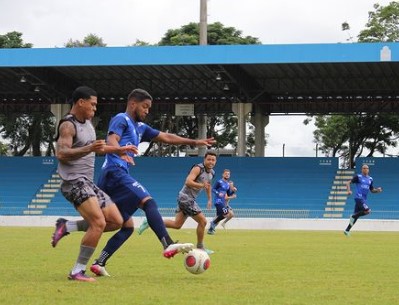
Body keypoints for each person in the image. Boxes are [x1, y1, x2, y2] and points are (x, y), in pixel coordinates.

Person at [87, 88, 216, 276]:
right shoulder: (121, 119)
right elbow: (111, 139)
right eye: (145, 106)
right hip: (113, 173)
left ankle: (99, 263)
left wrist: (194, 142)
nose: (147, 111)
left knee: (127, 227)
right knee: (149, 202)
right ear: (133, 104)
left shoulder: (141, 128)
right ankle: (168, 244)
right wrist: (120, 151)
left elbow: (167, 137)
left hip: (115, 177)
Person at [52, 86, 138, 282]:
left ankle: (67, 226)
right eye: (92, 104)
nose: (94, 108)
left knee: (116, 221)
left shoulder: (89, 123)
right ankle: (77, 271)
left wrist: (118, 150)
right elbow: (61, 153)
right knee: (98, 222)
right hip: (73, 181)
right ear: (80, 102)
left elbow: (95, 149)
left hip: (87, 182)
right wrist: (89, 147)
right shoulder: (67, 125)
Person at [138, 151, 217, 254]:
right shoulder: (198, 168)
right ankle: (200, 247)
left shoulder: (212, 173)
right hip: (185, 198)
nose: (211, 162)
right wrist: (201, 185)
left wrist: (209, 199)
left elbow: (208, 186)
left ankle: (150, 221)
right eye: (209, 159)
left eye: (213, 160)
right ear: (204, 159)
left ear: (215, 161)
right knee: (203, 221)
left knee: (177, 225)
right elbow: (188, 181)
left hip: (188, 198)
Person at [344, 164, 382, 236]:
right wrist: (348, 191)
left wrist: (377, 190)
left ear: (368, 170)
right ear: (362, 169)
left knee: (357, 216)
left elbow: (372, 190)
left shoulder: (370, 179)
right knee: (367, 210)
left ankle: (347, 230)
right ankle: (353, 216)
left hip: (363, 199)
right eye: (364, 168)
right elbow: (348, 182)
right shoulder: (358, 177)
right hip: (359, 197)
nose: (365, 169)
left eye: (367, 168)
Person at [207, 169, 237, 234]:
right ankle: (213, 223)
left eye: (228, 174)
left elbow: (229, 194)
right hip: (218, 201)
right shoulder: (219, 182)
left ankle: (211, 229)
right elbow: (213, 189)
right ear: (223, 174)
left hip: (222, 201)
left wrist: (234, 191)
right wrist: (218, 193)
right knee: (226, 213)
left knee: (220, 216)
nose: (227, 175)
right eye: (226, 173)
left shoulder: (228, 184)